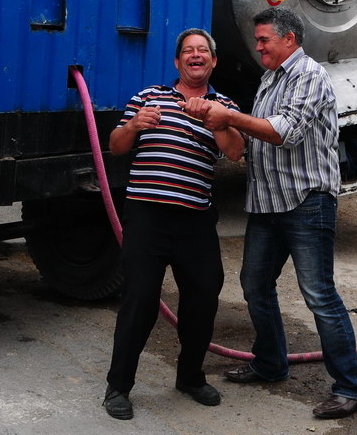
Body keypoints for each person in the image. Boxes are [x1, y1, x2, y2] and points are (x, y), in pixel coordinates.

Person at [193, 6, 357, 420]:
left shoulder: (308, 75)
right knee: (255, 286)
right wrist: (221, 122)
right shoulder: (271, 79)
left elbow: (283, 132)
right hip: (268, 202)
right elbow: (252, 141)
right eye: (257, 41)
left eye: (263, 40)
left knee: (319, 296)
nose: (257, 47)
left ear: (289, 39)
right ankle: (271, 363)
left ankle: (351, 387)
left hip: (306, 201)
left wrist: (230, 115)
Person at [102, 28, 244, 421]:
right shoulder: (149, 97)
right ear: (177, 62)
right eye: (188, 51)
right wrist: (133, 126)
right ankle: (119, 386)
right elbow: (114, 147)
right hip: (147, 216)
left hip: (195, 219)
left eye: (203, 51)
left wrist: (217, 122)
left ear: (213, 61)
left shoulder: (224, 105)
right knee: (139, 300)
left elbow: (235, 153)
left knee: (203, 295)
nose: (195, 55)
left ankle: (191, 377)